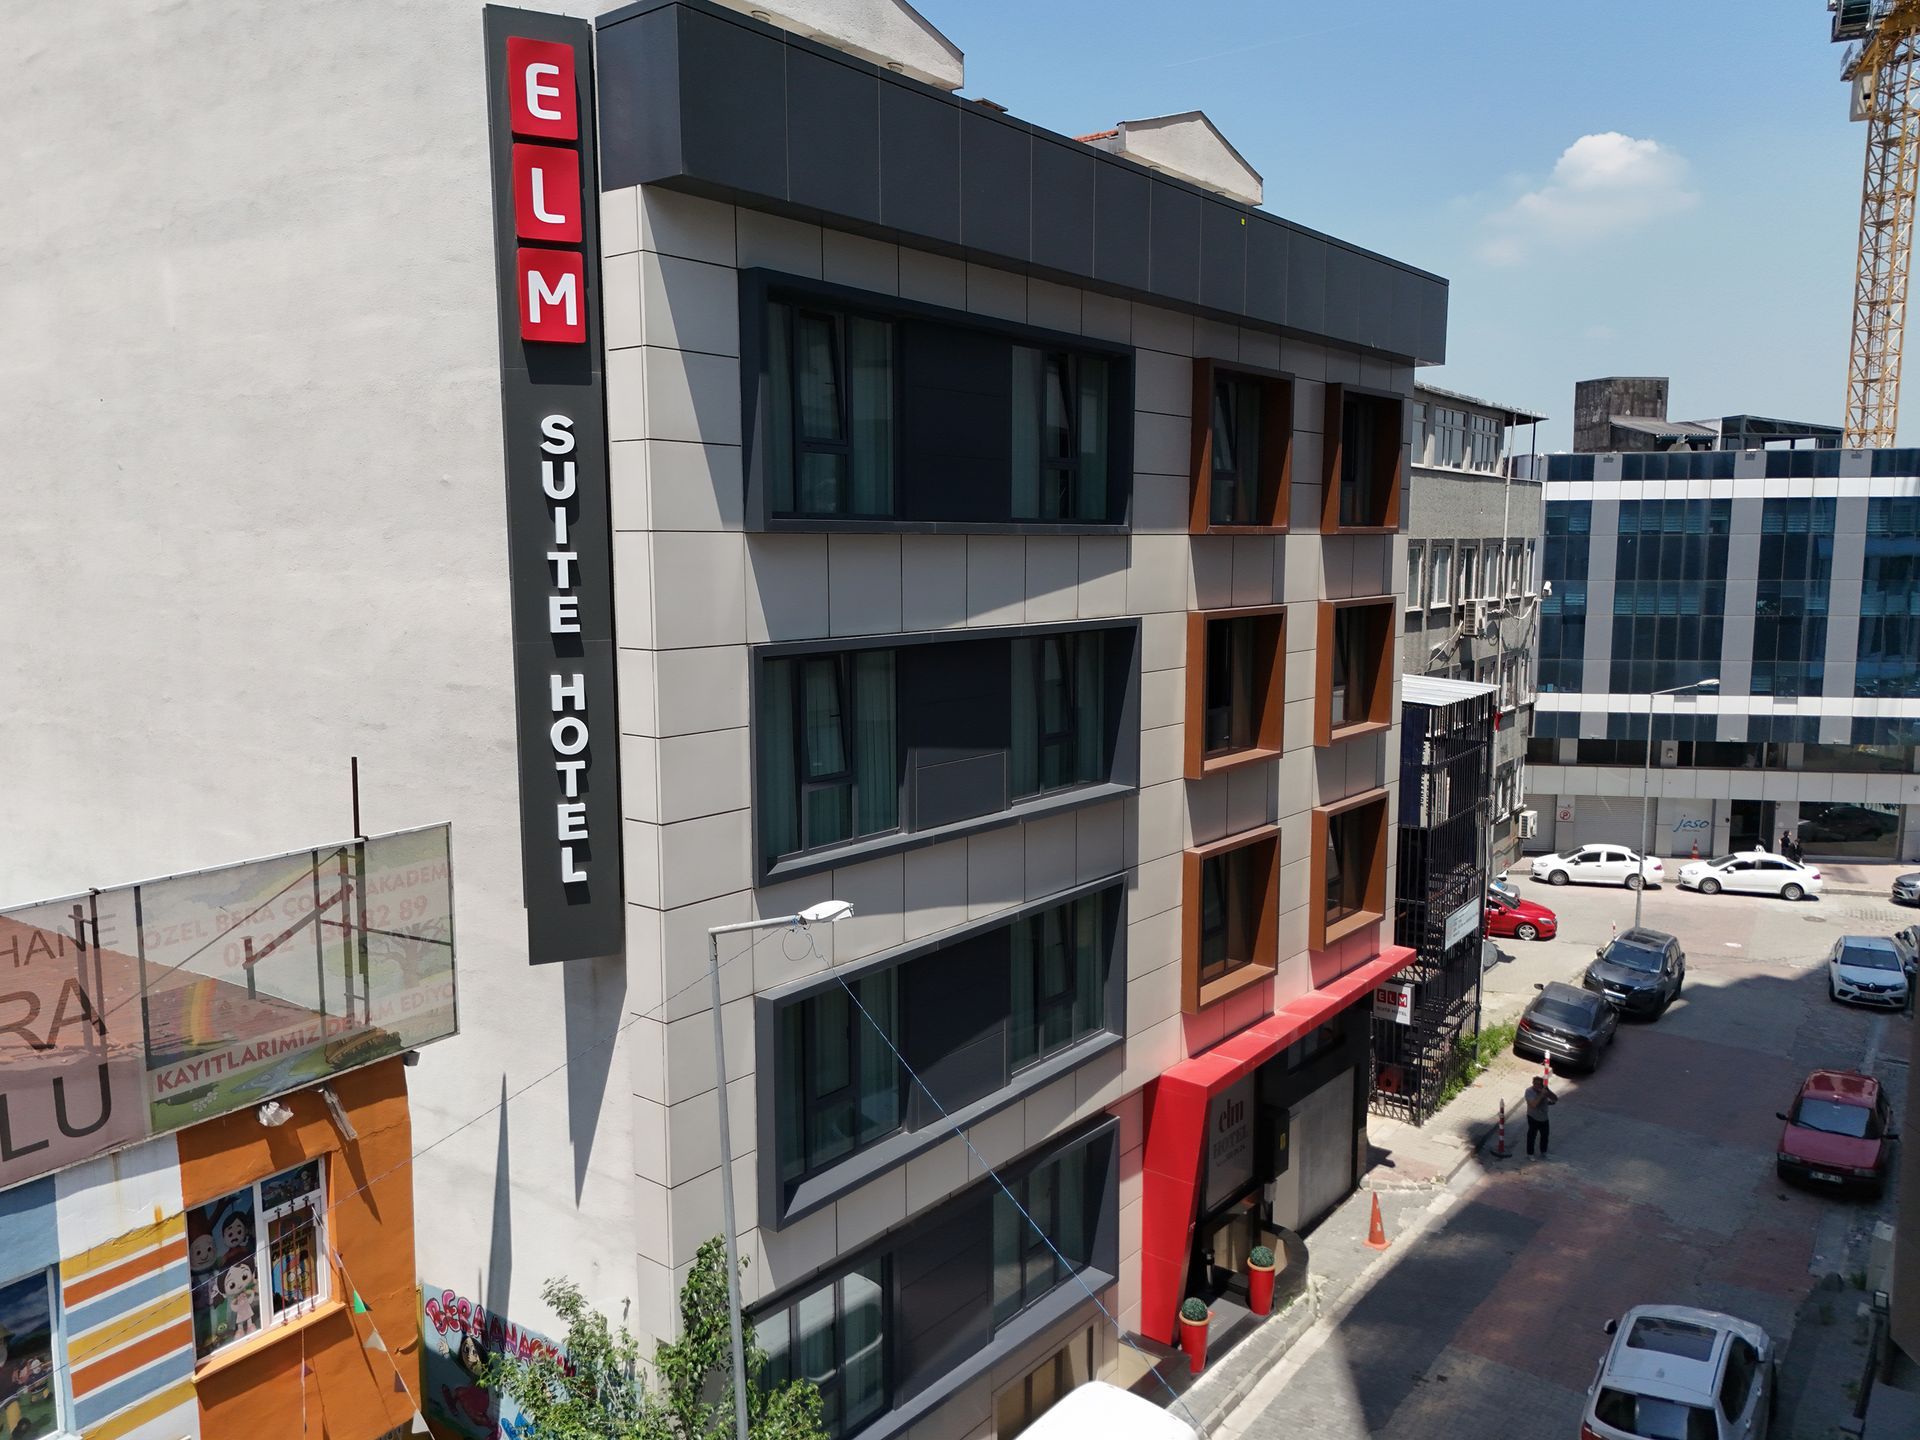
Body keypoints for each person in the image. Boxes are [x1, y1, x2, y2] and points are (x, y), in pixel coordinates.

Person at [1525, 1075, 1557, 1158]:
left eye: (1539, 1084)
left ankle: (1543, 1152)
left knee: (1545, 1136)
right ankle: (1530, 1153)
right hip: (1533, 1117)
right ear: (1533, 1083)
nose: (1537, 1086)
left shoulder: (1544, 1090)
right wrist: (1541, 1095)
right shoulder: (1529, 1091)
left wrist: (1548, 1092)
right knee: (1532, 1136)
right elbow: (1533, 1105)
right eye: (1535, 1084)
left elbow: (1555, 1099)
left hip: (1544, 1117)